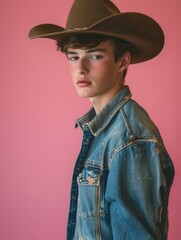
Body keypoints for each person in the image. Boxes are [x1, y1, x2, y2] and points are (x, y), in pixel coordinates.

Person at [29, 0, 175, 239]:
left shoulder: (130, 138)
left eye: (95, 56)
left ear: (123, 61)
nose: (81, 69)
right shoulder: (103, 128)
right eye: (73, 57)